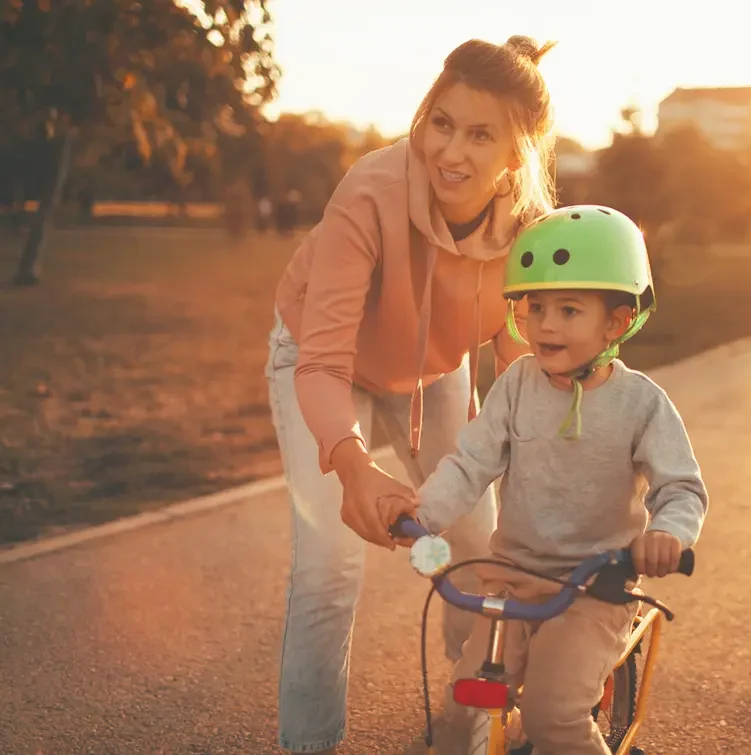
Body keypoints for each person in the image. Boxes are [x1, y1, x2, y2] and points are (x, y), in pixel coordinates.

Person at [264, 34, 558, 754]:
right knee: (330, 566)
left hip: (432, 372)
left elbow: (522, 374)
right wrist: (355, 465)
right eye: (441, 122)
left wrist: (546, 468)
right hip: (320, 360)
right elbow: (324, 358)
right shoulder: (371, 189)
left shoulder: (528, 234)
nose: (450, 151)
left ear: (516, 155)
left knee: (478, 542)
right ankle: (309, 744)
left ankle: (473, 717)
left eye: (479, 135)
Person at [382, 205, 709, 754]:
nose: (546, 324)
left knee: (553, 713)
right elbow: (470, 462)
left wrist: (667, 534)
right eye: (535, 307)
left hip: (593, 588)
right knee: (464, 708)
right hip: (508, 578)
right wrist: (425, 513)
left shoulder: (641, 404)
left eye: (569, 309)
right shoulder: (516, 384)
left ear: (617, 322)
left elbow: (682, 488)